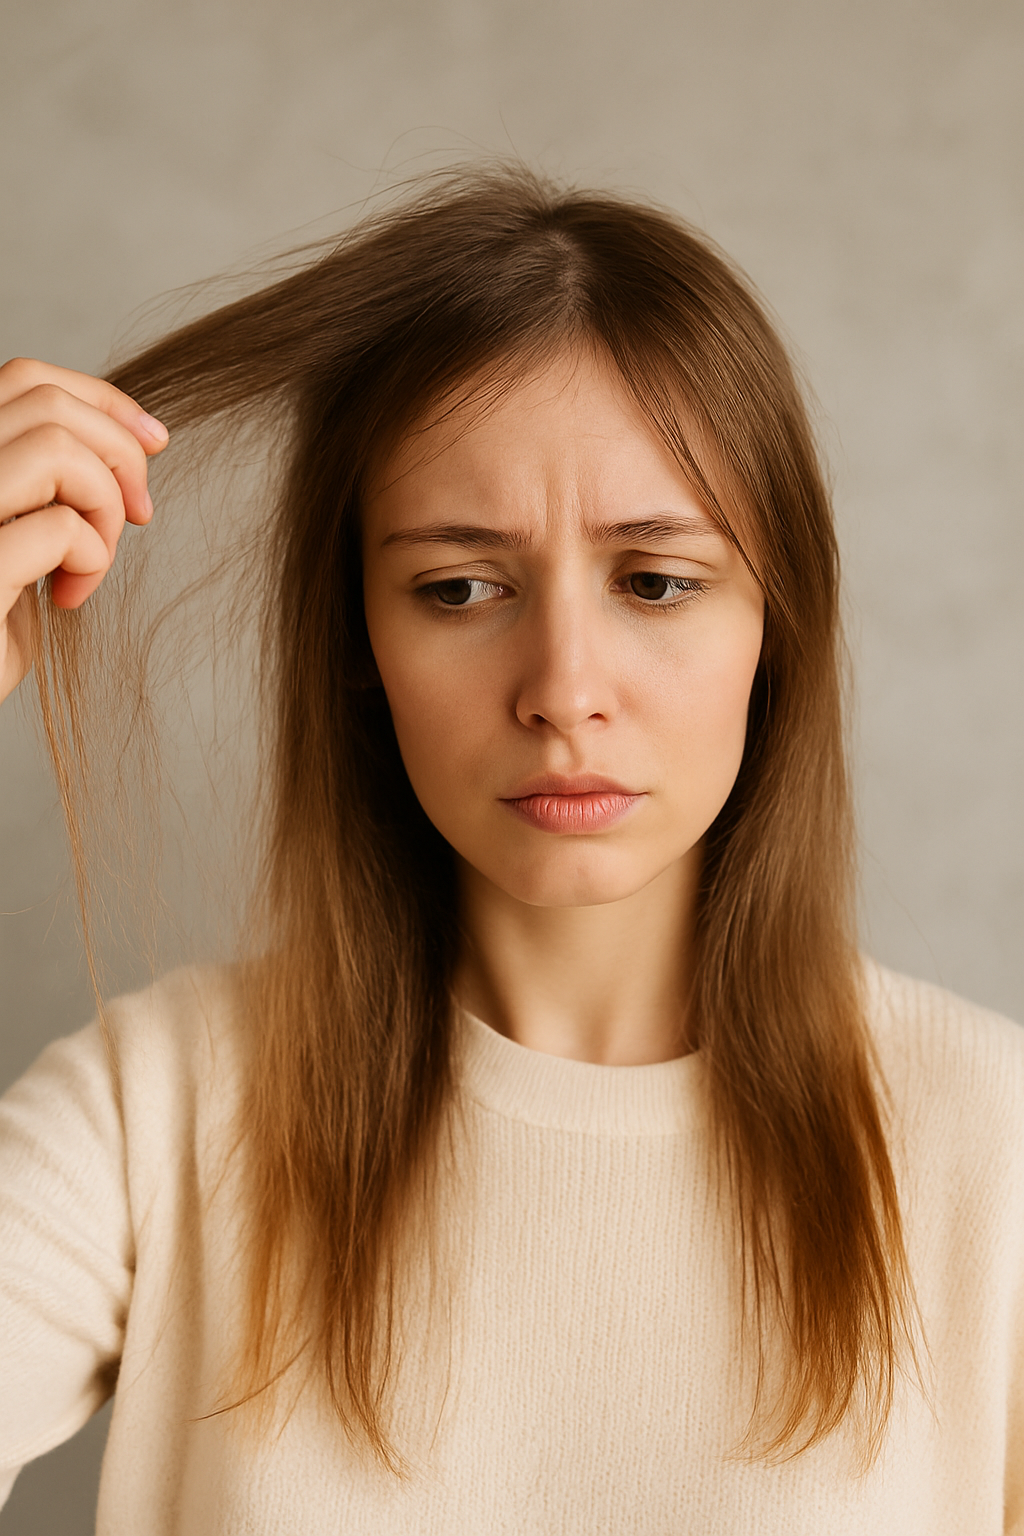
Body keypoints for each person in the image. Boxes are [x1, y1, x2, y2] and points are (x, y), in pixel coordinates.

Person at [1, 165, 1022, 1534]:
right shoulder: (157, 1116)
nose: (562, 687)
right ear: (359, 643)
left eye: (656, 580)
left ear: (778, 627)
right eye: (459, 588)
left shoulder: (991, 1147)